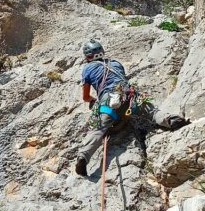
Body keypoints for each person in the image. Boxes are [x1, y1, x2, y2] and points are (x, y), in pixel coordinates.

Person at [74, 40, 189, 176]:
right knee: (152, 112)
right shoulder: (115, 63)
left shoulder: (88, 68)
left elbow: (86, 97)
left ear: (87, 56)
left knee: (98, 129)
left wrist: (94, 101)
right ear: (102, 52)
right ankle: (170, 120)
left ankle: (83, 156)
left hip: (109, 102)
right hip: (129, 96)